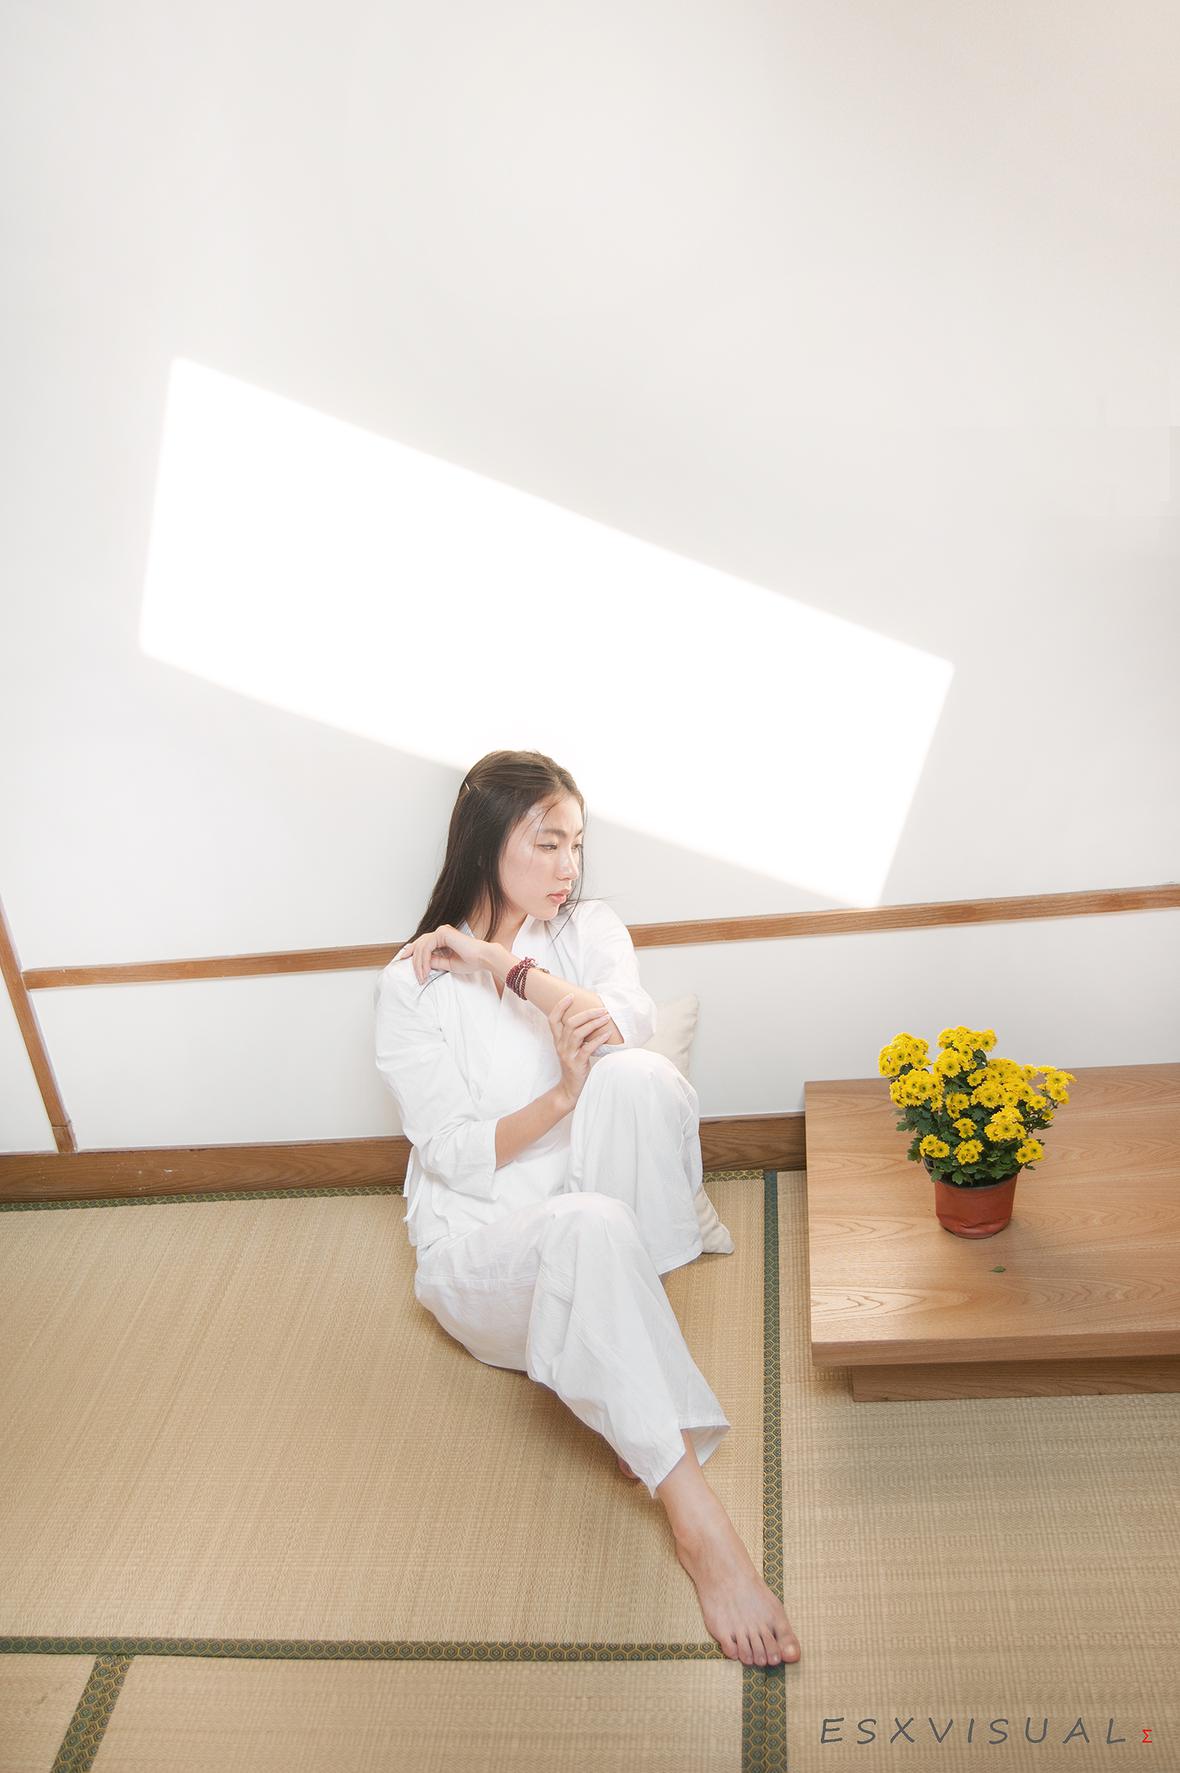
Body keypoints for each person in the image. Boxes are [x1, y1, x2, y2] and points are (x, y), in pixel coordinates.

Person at [374, 749, 800, 1669]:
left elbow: (616, 1028)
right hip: (488, 1253)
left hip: (594, 1204)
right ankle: (700, 1526)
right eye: (547, 842)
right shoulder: (412, 984)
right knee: (590, 1220)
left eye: (576, 843)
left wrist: (504, 964)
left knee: (641, 1078)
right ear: (487, 841)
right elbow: (452, 1154)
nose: (568, 865)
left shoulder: (586, 929)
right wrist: (563, 1097)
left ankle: (629, 1385)